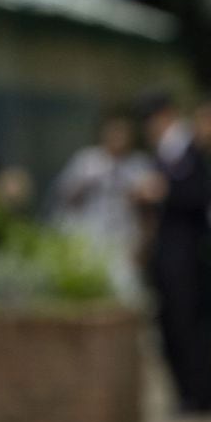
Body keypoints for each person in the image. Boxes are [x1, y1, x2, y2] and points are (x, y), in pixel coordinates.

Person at [139, 91, 211, 415]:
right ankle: (185, 393)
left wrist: (164, 191)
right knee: (171, 322)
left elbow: (200, 196)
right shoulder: (165, 152)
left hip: (187, 253)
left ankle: (198, 395)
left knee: (189, 323)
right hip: (167, 252)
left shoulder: (190, 150)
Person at [49, 112, 163, 306]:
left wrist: (144, 246)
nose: (118, 138)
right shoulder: (87, 160)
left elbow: (151, 210)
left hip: (124, 244)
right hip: (88, 241)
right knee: (89, 299)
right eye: (113, 132)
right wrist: (86, 184)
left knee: (129, 298)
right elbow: (64, 197)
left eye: (123, 133)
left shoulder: (139, 165)